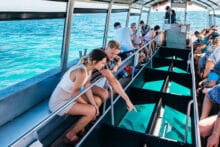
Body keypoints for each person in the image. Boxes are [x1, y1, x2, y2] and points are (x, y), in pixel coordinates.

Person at [49, 49, 107, 143]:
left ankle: (82, 125)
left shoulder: (89, 69)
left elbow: (87, 86)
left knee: (97, 101)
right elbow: (74, 93)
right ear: (94, 62)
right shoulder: (81, 71)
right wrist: (90, 107)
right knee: (91, 110)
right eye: (102, 63)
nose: (103, 65)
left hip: (70, 97)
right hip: (59, 101)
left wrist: (94, 104)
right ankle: (70, 135)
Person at [91, 40, 136, 112]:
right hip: (90, 82)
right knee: (105, 93)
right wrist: (128, 100)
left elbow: (115, 60)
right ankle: (96, 110)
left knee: (115, 89)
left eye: (116, 54)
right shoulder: (101, 59)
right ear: (106, 48)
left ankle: (99, 104)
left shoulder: (106, 53)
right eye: (112, 53)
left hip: (100, 78)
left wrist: (117, 62)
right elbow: (112, 78)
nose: (113, 56)